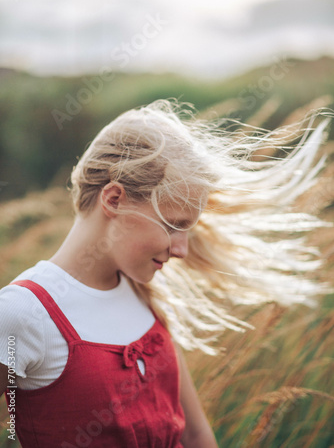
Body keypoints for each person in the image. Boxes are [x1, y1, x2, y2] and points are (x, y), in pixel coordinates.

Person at [0, 99, 331, 448]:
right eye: (174, 225)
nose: (182, 249)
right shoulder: (20, 314)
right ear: (114, 199)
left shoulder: (144, 291)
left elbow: (195, 433)